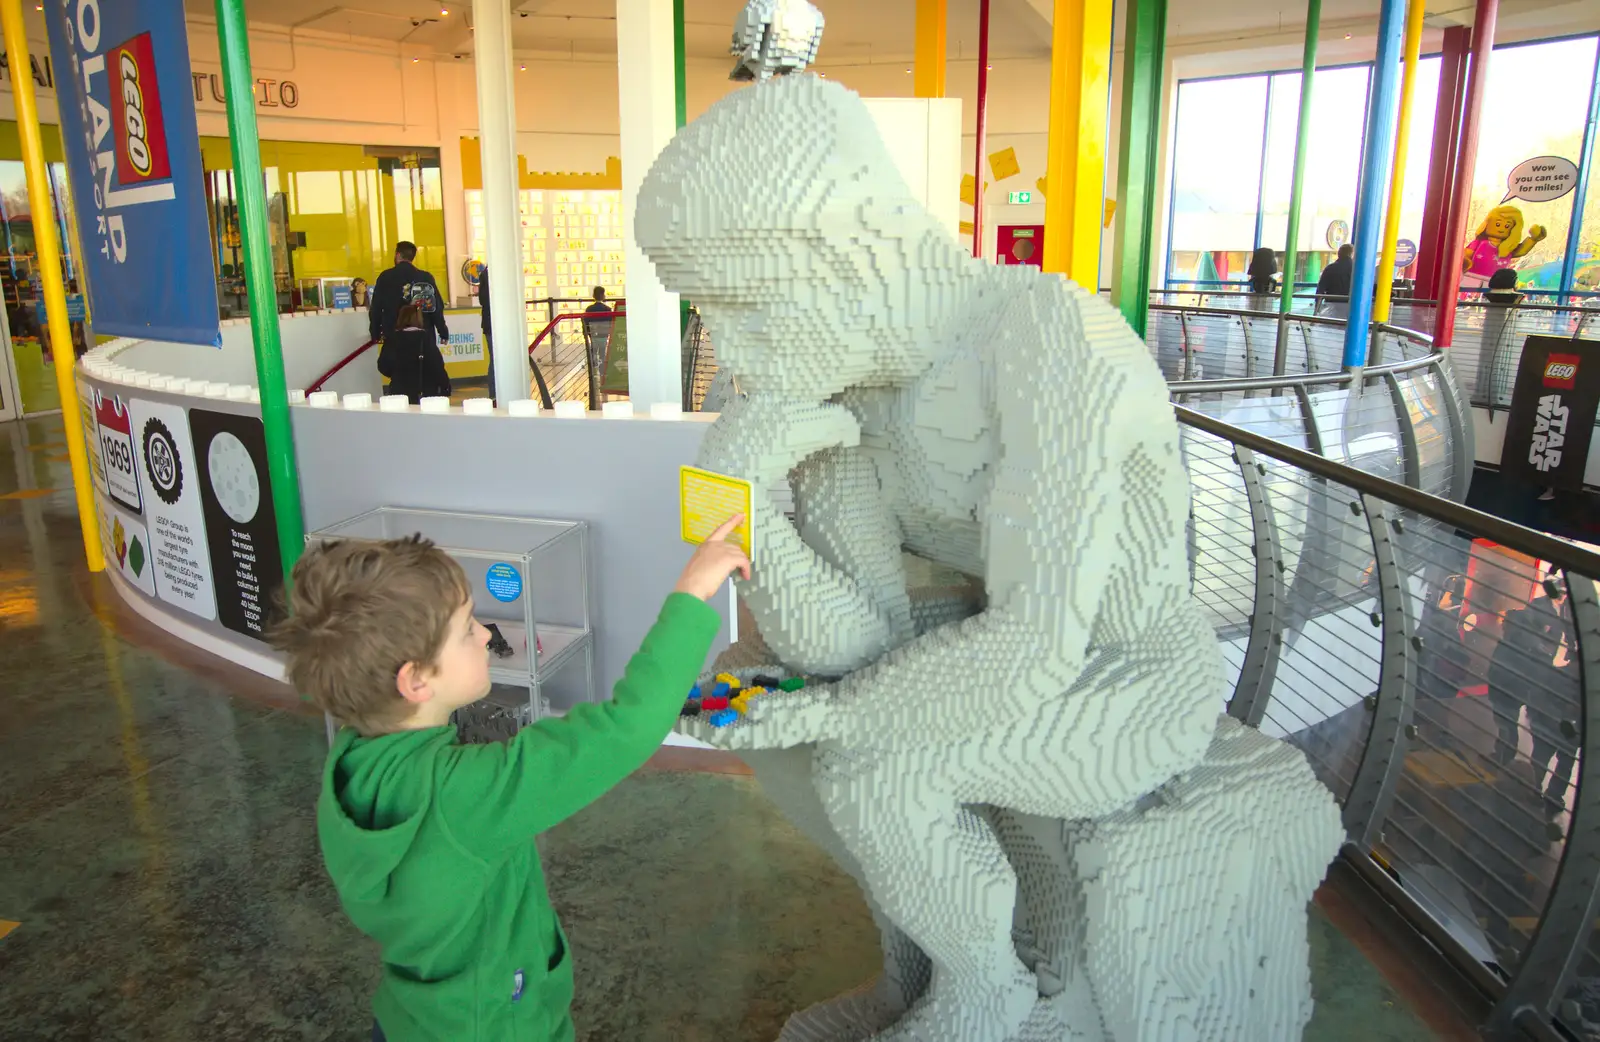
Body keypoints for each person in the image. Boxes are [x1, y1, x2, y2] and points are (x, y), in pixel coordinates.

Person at [270, 515, 750, 1042]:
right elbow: (624, 730)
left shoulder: (349, 762)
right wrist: (692, 591)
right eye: (467, 627)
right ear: (415, 680)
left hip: (414, 1018)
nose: (485, 635)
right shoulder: (466, 796)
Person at [370, 241, 448, 346]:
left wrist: (375, 333)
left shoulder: (385, 277)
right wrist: (443, 332)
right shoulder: (425, 278)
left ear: (397, 255)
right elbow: (436, 308)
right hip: (422, 337)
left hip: (394, 336)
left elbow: (376, 308)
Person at [377, 303, 451, 404]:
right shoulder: (426, 338)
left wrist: (397, 374)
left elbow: (383, 365)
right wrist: (445, 386)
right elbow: (436, 365)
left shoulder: (392, 339)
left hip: (400, 391)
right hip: (425, 392)